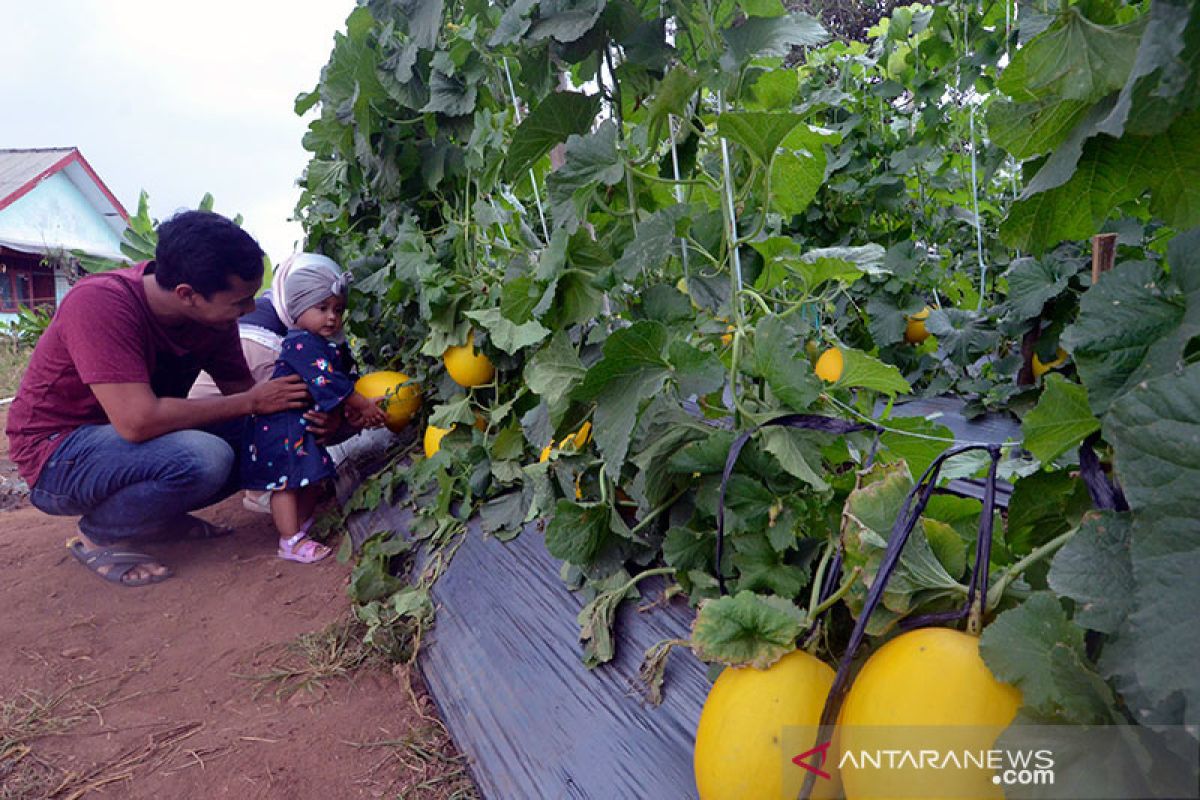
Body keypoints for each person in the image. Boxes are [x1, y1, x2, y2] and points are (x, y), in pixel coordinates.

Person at [4, 211, 325, 586]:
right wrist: (253, 403)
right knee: (205, 457)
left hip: (130, 445)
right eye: (240, 301)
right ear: (186, 294)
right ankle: (101, 534)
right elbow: (138, 421)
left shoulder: (212, 320)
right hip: (55, 456)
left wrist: (309, 416)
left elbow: (241, 394)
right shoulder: (99, 303)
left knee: (271, 432)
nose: (250, 310)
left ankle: (153, 520)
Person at [240, 255, 386, 563]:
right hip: (281, 428)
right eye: (322, 309)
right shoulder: (301, 344)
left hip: (297, 424)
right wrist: (365, 406)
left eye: (338, 309)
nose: (332, 317)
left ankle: (300, 526)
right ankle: (289, 540)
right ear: (297, 310)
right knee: (286, 483)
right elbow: (329, 382)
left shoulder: (322, 342)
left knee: (308, 476)